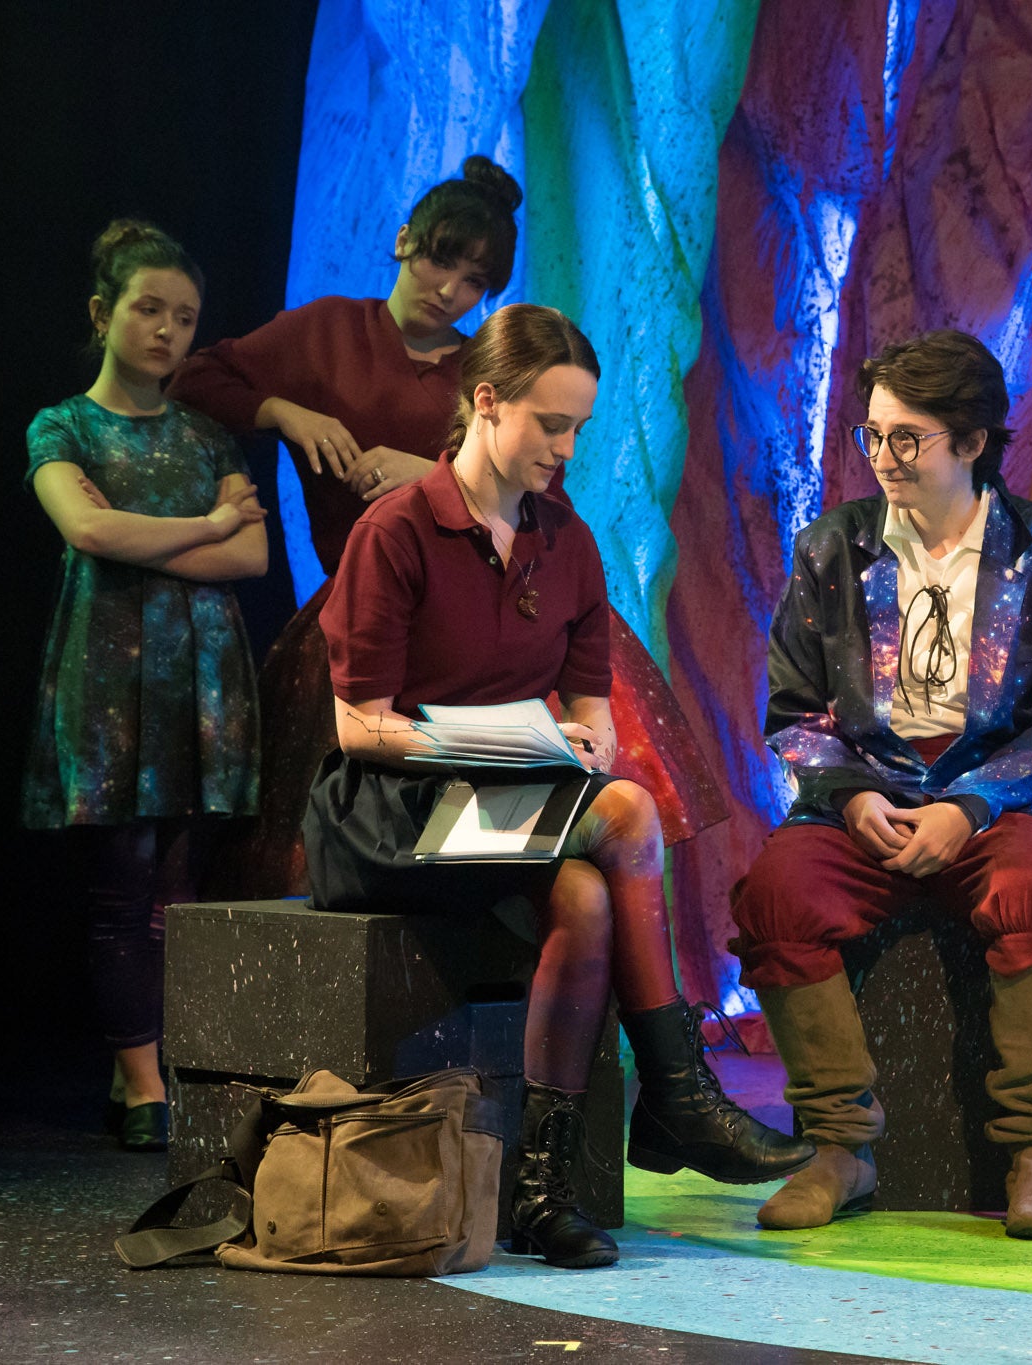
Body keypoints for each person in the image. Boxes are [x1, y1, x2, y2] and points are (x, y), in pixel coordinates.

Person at [303, 303, 812, 1269]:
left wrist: (579, 742)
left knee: (584, 891)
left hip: (502, 804)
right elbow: (358, 725)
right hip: (395, 808)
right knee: (625, 811)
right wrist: (488, 741)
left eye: (579, 425)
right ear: (487, 401)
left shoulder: (565, 541)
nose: (567, 446)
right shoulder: (397, 529)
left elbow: (593, 711)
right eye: (551, 422)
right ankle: (678, 1091)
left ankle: (540, 1191)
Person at [168, 157, 723, 894]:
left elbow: (540, 491)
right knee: (334, 826)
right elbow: (196, 378)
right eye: (440, 261)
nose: (449, 290)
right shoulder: (328, 332)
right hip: (380, 614)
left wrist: (431, 473)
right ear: (405, 241)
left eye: (473, 281)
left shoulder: (487, 370)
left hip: (489, 604)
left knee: (584, 871)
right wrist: (284, 412)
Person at [730, 330, 1032, 1239]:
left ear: (972, 441)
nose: (884, 456)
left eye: (907, 437)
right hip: (865, 791)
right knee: (778, 892)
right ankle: (839, 1145)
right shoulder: (832, 548)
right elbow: (795, 708)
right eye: (873, 435)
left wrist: (969, 805)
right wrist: (853, 794)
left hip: (998, 797)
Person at [23, 220, 268, 1151]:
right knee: (123, 887)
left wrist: (173, 534)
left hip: (204, 678)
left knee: (181, 891)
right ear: (103, 312)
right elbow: (87, 532)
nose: (168, 330)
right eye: (149, 310)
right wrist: (207, 525)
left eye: (186, 317)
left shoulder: (206, 436)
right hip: (110, 673)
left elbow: (252, 555)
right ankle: (141, 1086)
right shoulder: (63, 426)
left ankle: (153, 1061)